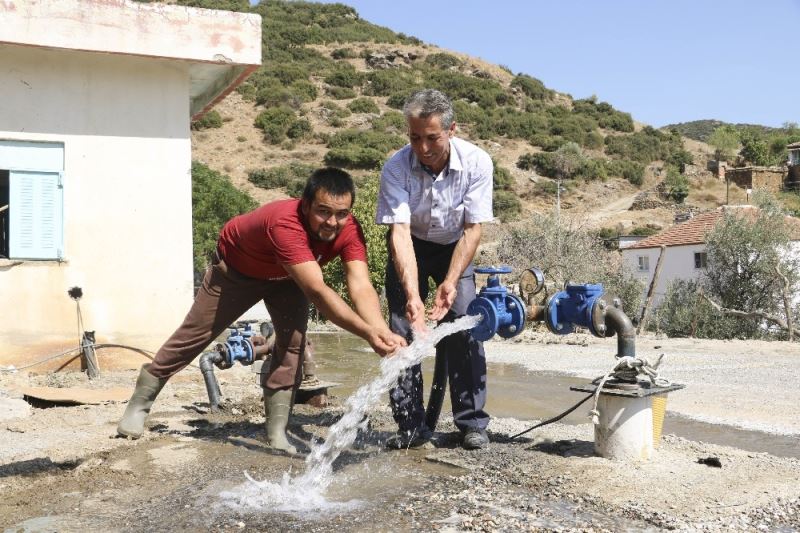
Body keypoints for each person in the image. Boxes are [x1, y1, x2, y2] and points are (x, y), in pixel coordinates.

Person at [117, 167, 406, 454]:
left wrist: (379, 329)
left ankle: (277, 430)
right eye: (323, 211)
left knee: (292, 345)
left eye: (341, 213)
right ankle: (140, 404)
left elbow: (360, 284)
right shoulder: (284, 223)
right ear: (305, 205)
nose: (332, 222)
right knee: (196, 335)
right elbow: (318, 291)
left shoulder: (351, 230)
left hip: (289, 278)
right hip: (236, 271)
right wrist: (367, 333)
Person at [376, 89, 494, 450]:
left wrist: (451, 282)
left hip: (455, 247)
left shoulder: (478, 162)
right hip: (409, 244)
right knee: (401, 330)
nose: (422, 148)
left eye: (432, 138)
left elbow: (474, 229)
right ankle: (410, 426)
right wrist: (412, 296)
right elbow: (398, 232)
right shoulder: (396, 167)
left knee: (464, 323)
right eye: (414, 138)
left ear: (451, 130)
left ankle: (471, 424)